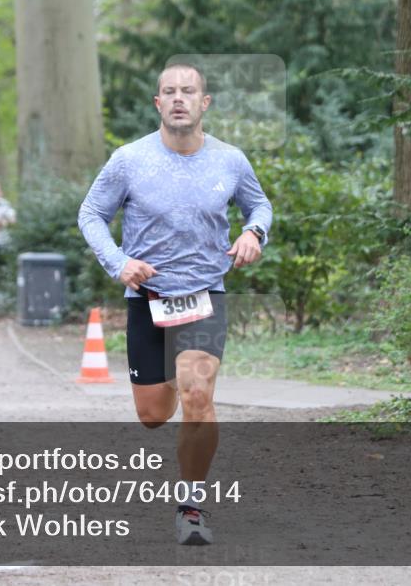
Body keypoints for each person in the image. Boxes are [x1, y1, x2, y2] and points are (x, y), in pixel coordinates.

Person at [78, 63, 272, 545]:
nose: (179, 98)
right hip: (147, 298)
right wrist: (118, 261)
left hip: (204, 293)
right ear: (157, 104)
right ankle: (164, 402)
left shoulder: (230, 160)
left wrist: (254, 232)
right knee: (152, 414)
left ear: (205, 103)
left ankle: (191, 509)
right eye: (170, 92)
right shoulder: (128, 159)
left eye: (189, 91)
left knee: (198, 394)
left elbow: (259, 205)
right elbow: (91, 214)